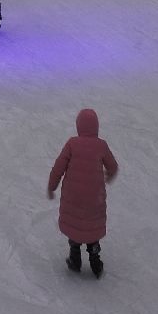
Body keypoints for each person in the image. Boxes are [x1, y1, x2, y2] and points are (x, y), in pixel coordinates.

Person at [47, 107, 119, 278]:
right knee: (91, 225)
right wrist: (107, 177)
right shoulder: (101, 145)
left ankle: (75, 257)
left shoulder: (72, 143)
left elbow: (58, 168)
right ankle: (95, 258)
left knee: (75, 227)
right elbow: (113, 166)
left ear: (79, 126)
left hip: (74, 198)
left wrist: (52, 186)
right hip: (95, 199)